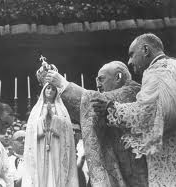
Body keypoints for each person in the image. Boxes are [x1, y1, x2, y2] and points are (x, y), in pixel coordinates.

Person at [92, 33, 176, 186]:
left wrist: (112, 109)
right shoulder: (172, 65)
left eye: (132, 54)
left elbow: (149, 113)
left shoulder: (157, 72)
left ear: (145, 49)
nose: (129, 61)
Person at [45, 61, 148, 187]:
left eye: (101, 79)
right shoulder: (107, 99)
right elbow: (85, 112)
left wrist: (64, 85)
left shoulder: (134, 92)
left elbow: (91, 102)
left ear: (118, 77)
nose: (98, 84)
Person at [22, 82, 79, 187]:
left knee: (56, 170)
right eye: (48, 88)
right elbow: (31, 130)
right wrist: (43, 117)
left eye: (53, 89)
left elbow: (66, 129)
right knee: (40, 171)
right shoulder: (36, 110)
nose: (50, 91)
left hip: (57, 146)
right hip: (40, 146)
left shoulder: (61, 109)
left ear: (56, 93)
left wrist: (53, 117)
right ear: (43, 90)